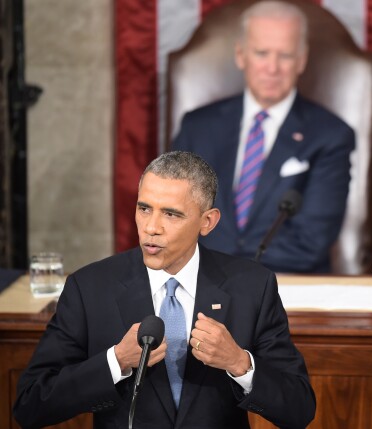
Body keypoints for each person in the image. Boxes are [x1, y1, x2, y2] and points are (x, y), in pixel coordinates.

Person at [13, 151, 315, 429]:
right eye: (144, 208)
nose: (151, 227)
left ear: (207, 222)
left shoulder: (252, 286)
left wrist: (239, 363)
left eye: (171, 214)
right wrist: (116, 361)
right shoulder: (89, 287)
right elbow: (31, 404)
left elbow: (299, 409)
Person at [172, 0, 355, 274]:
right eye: (261, 53)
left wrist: (233, 274)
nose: (272, 68)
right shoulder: (197, 126)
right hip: (200, 285)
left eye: (285, 55)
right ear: (240, 55)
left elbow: (310, 242)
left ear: (302, 59)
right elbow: (172, 218)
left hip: (286, 289)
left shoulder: (331, 135)